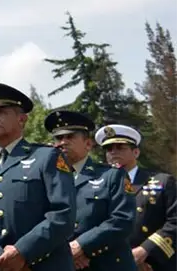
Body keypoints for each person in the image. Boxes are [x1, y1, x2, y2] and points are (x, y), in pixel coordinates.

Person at [0, 82, 76, 271]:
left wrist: (22, 252)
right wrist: (0, 259)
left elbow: (63, 213)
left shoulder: (47, 157)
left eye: (1, 112)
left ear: (22, 119)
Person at [44, 110, 136, 271]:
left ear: (88, 144)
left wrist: (82, 246)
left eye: (70, 137)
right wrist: (65, 252)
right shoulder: (48, 179)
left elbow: (122, 220)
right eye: (58, 138)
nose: (62, 142)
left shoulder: (112, 175)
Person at [96, 124, 177, 271]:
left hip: (151, 263)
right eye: (109, 149)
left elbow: (175, 222)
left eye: (120, 147)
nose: (113, 152)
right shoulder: (96, 186)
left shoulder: (162, 182)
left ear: (136, 152)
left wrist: (146, 251)